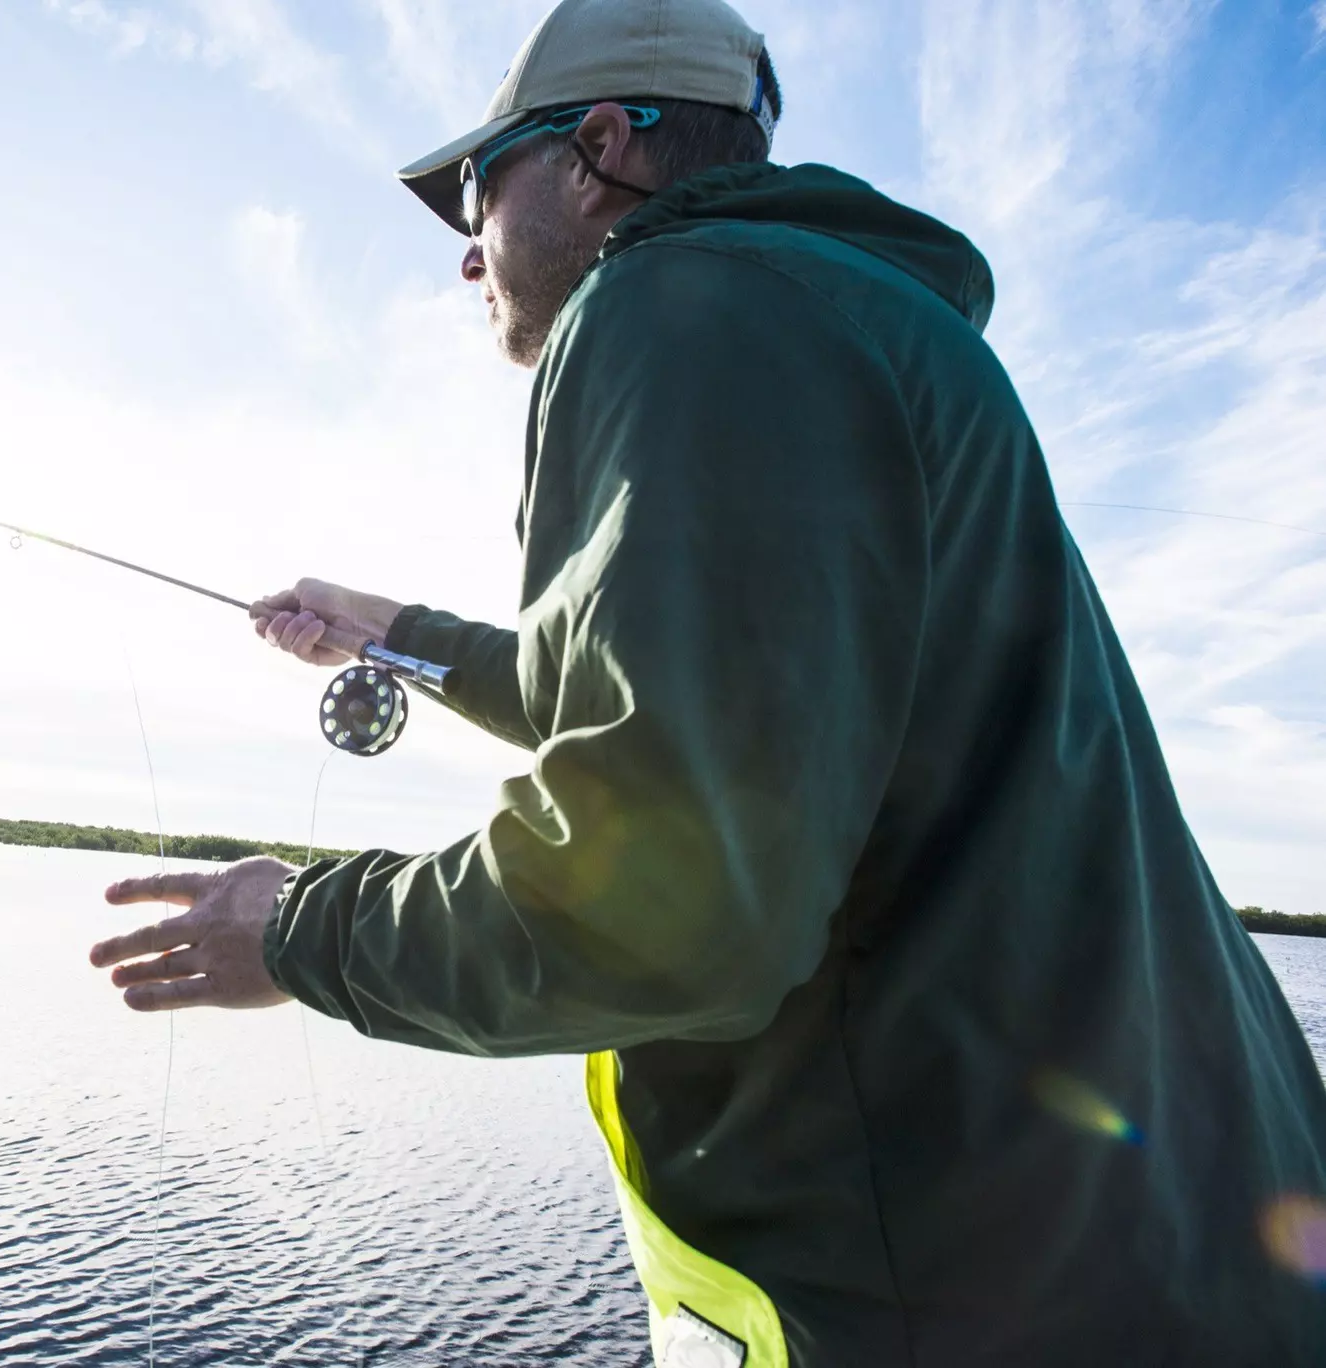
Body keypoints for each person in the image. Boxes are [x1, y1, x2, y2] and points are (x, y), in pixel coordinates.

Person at [88, 0, 1326, 1362]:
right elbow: (688, 699)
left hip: (986, 1292)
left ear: (596, 150)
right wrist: (388, 633)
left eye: (478, 186)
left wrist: (297, 932)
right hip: (1166, 1249)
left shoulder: (682, 304)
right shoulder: (833, 317)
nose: (465, 250)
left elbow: (657, 906)